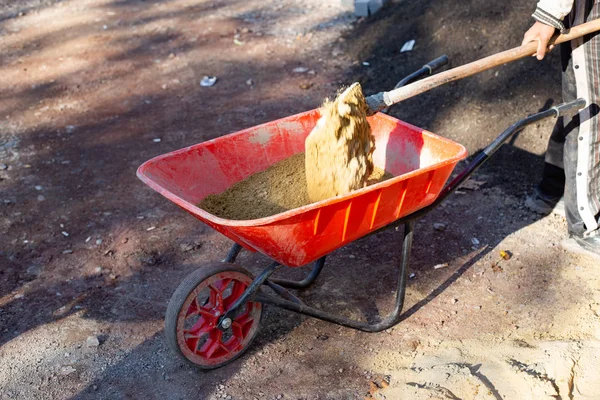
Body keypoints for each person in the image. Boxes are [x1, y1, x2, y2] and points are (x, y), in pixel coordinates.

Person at [522, 0, 600, 259]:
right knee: (590, 110)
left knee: (585, 102)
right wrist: (549, 15)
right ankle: (585, 227)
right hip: (589, 11)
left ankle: (552, 189)